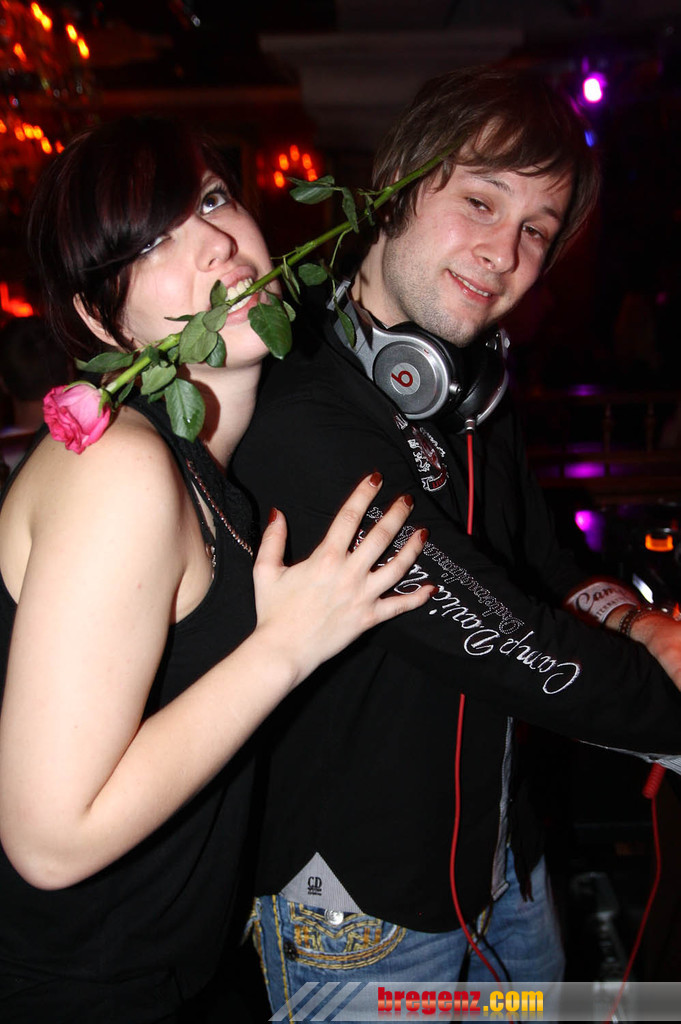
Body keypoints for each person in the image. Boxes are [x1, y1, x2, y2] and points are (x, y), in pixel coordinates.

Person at [232, 64, 681, 1012]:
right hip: (360, 909)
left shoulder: (470, 388)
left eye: (535, 231)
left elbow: (543, 561)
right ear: (396, 186)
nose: (503, 252)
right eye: (480, 201)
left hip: (504, 871)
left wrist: (636, 624)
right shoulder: (299, 401)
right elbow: (493, 629)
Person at [0, 116, 434, 1024]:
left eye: (210, 199)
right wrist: (283, 648)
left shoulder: (210, 478)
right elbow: (48, 841)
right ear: (98, 318)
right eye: (150, 243)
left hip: (170, 974)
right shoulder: (119, 468)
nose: (214, 242)